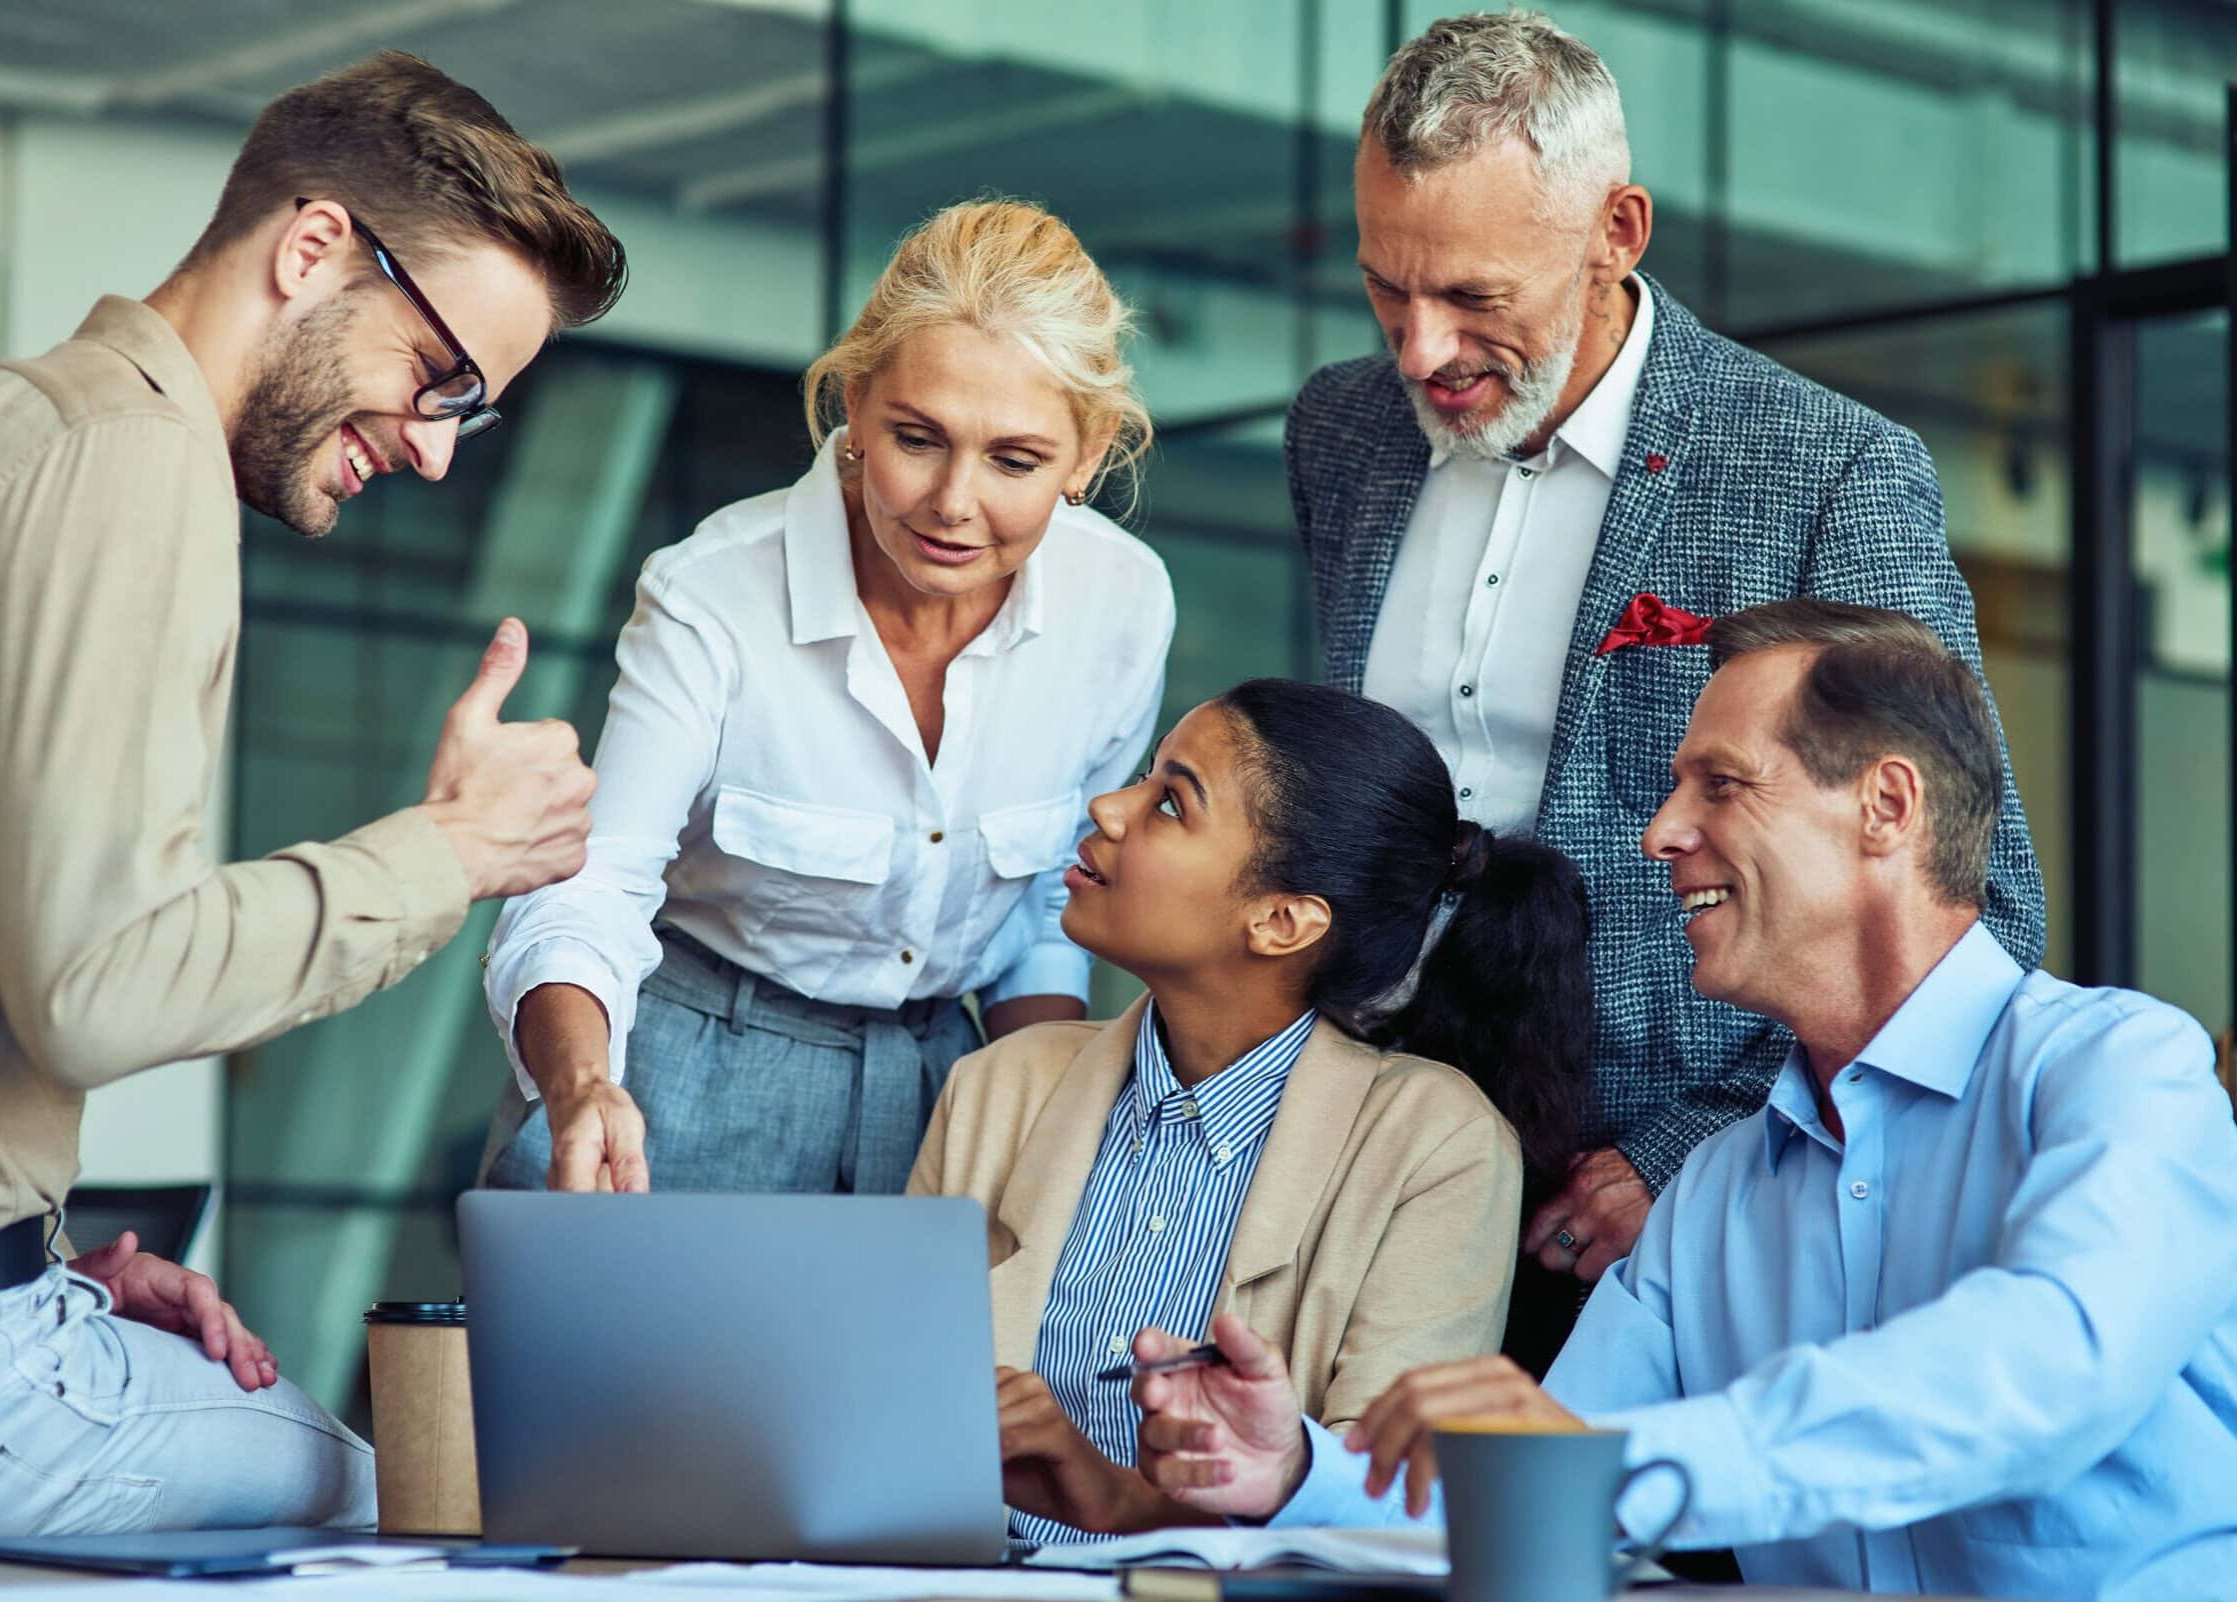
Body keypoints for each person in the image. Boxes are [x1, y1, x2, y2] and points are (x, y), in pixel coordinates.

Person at [1133, 603, 2237, 1602]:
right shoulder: (1711, 1191)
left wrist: (1617, 1467)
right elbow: (1556, 1479)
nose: (1660, 831)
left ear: (1885, 808)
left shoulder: (2121, 1071)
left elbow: (2047, 1366)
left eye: (1720, 783)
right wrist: (1293, 1470)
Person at [1287, 9, 2048, 1359]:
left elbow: (1972, 908)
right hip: (1359, 1168)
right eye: (1384, 289)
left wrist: (1694, 1149)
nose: (1419, 350)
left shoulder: (1827, 474)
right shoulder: (1340, 433)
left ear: (1615, 232)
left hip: (1651, 1208)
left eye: (1472, 298)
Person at [0, 52, 621, 1534]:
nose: (437, 447)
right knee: (396, 1506)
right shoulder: (132, 463)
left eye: (475, 413)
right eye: (439, 377)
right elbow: (96, 986)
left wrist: (29, 1247)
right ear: (312, 249)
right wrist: (448, 853)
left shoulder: (18, 424)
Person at [479, 200, 1175, 1198]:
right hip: (682, 1062)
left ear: (1089, 452)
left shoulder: (1123, 601)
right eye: (917, 437)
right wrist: (584, 1082)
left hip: (949, 1085)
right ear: (854, 405)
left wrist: (1045, 1133)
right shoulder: (712, 593)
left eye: (1014, 459)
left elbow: (1050, 915)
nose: (953, 502)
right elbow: (593, 883)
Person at [906, 679, 1593, 1542]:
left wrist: (1112, 1497)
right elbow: (893, 1416)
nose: (1108, 808)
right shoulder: (997, 1085)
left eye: (1169, 804)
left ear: (1281, 921)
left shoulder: (1437, 1146)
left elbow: (1379, 1512)